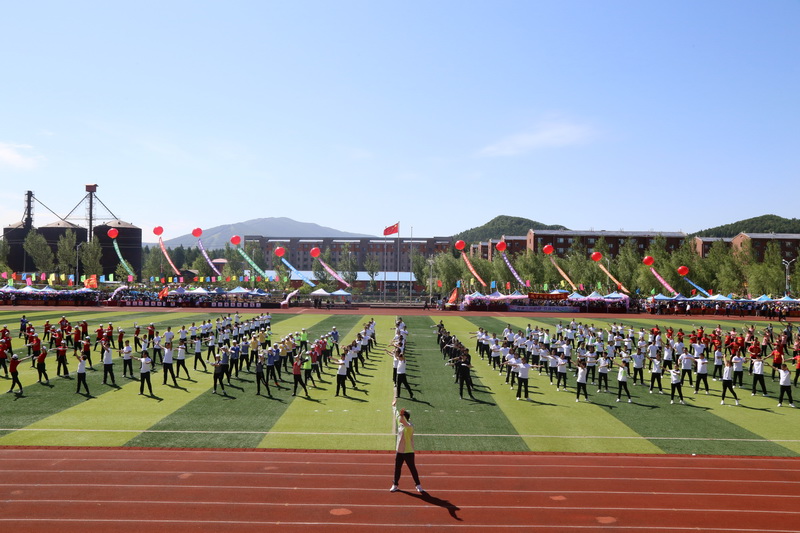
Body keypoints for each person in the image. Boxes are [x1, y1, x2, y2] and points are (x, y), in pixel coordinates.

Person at [389, 398, 423, 493]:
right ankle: (395, 485)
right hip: (399, 451)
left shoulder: (410, 426)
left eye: (402, 417)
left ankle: (418, 485)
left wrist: (401, 416)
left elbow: (404, 422)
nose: (400, 418)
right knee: (397, 468)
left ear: (405, 418)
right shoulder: (400, 423)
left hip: (408, 451)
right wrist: (393, 406)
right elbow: (396, 414)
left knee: (412, 468)